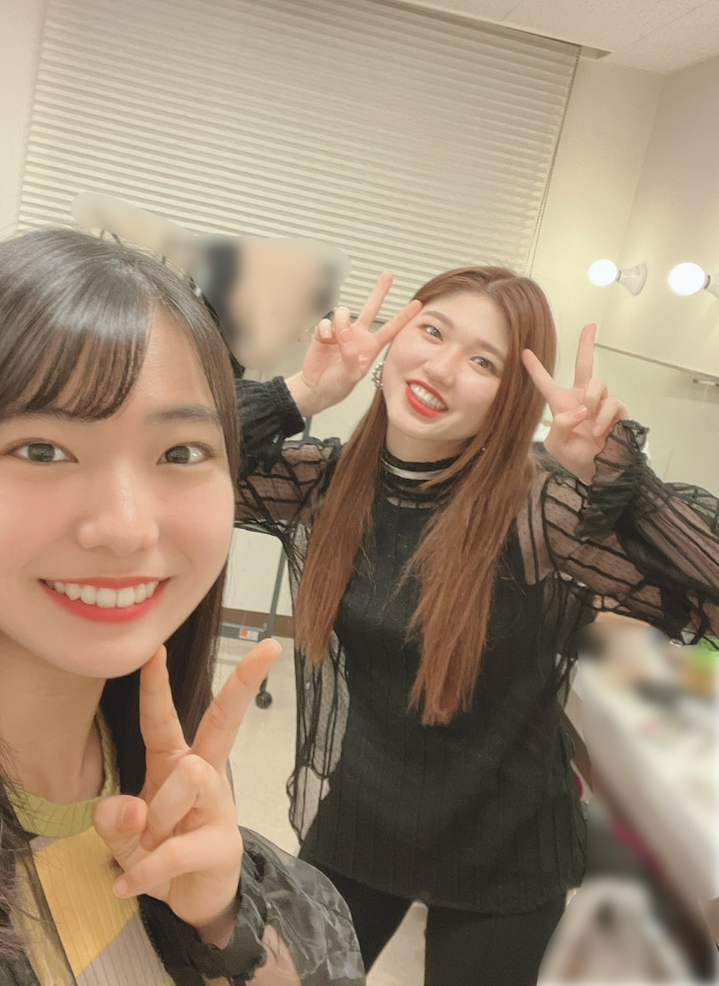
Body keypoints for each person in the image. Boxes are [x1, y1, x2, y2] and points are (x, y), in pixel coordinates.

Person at [234, 266, 719, 985]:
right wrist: (304, 391)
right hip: (364, 813)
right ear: (397, 337)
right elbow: (173, 460)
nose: (441, 368)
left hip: (506, 847)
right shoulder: (330, 483)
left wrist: (622, 479)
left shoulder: (537, 509)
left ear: (510, 400)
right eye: (432, 332)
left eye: (483, 362)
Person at [0, 227, 365, 985]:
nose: (128, 527)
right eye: (42, 450)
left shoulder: (167, 791)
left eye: (180, 452)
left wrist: (219, 925)